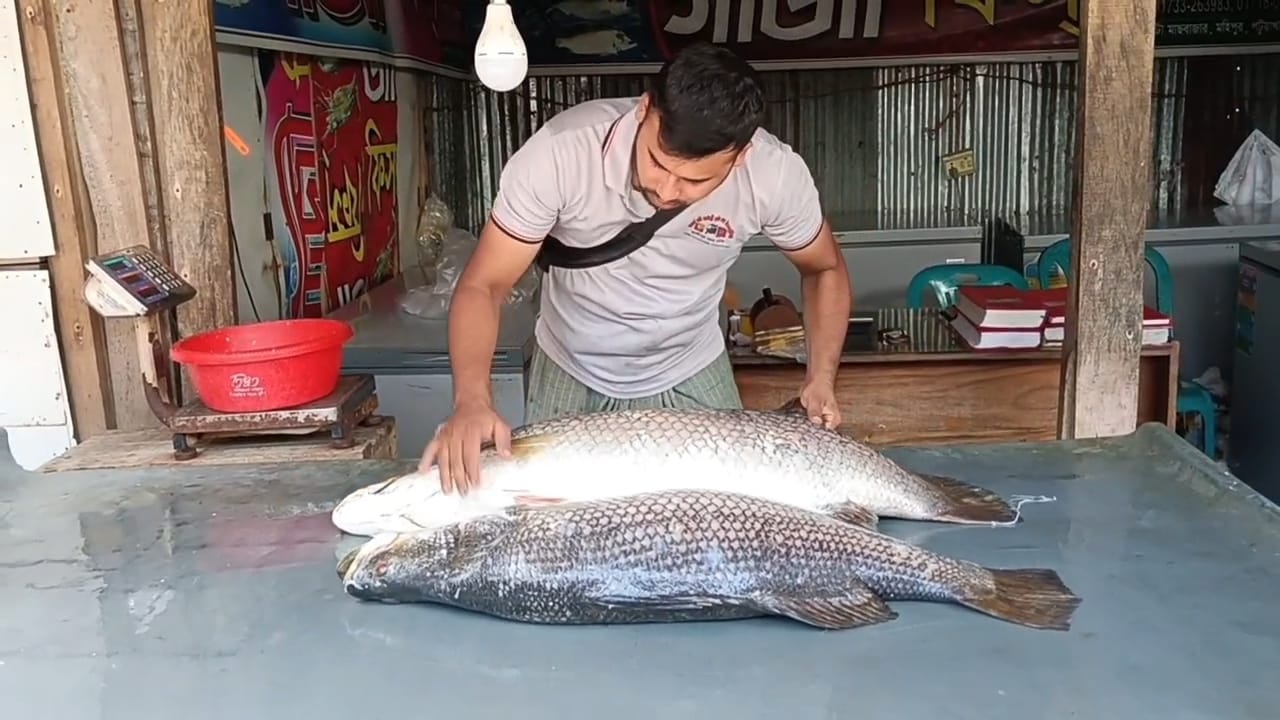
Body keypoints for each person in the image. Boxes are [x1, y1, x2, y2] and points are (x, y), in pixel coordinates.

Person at [420, 41, 854, 495]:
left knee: (720, 511)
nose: (668, 191)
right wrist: (471, 400)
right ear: (645, 110)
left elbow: (824, 268)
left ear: (740, 156)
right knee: (557, 519)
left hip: (690, 363)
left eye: (695, 180)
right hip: (573, 364)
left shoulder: (774, 174)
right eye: (657, 163)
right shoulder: (561, 153)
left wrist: (820, 379)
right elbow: (484, 284)